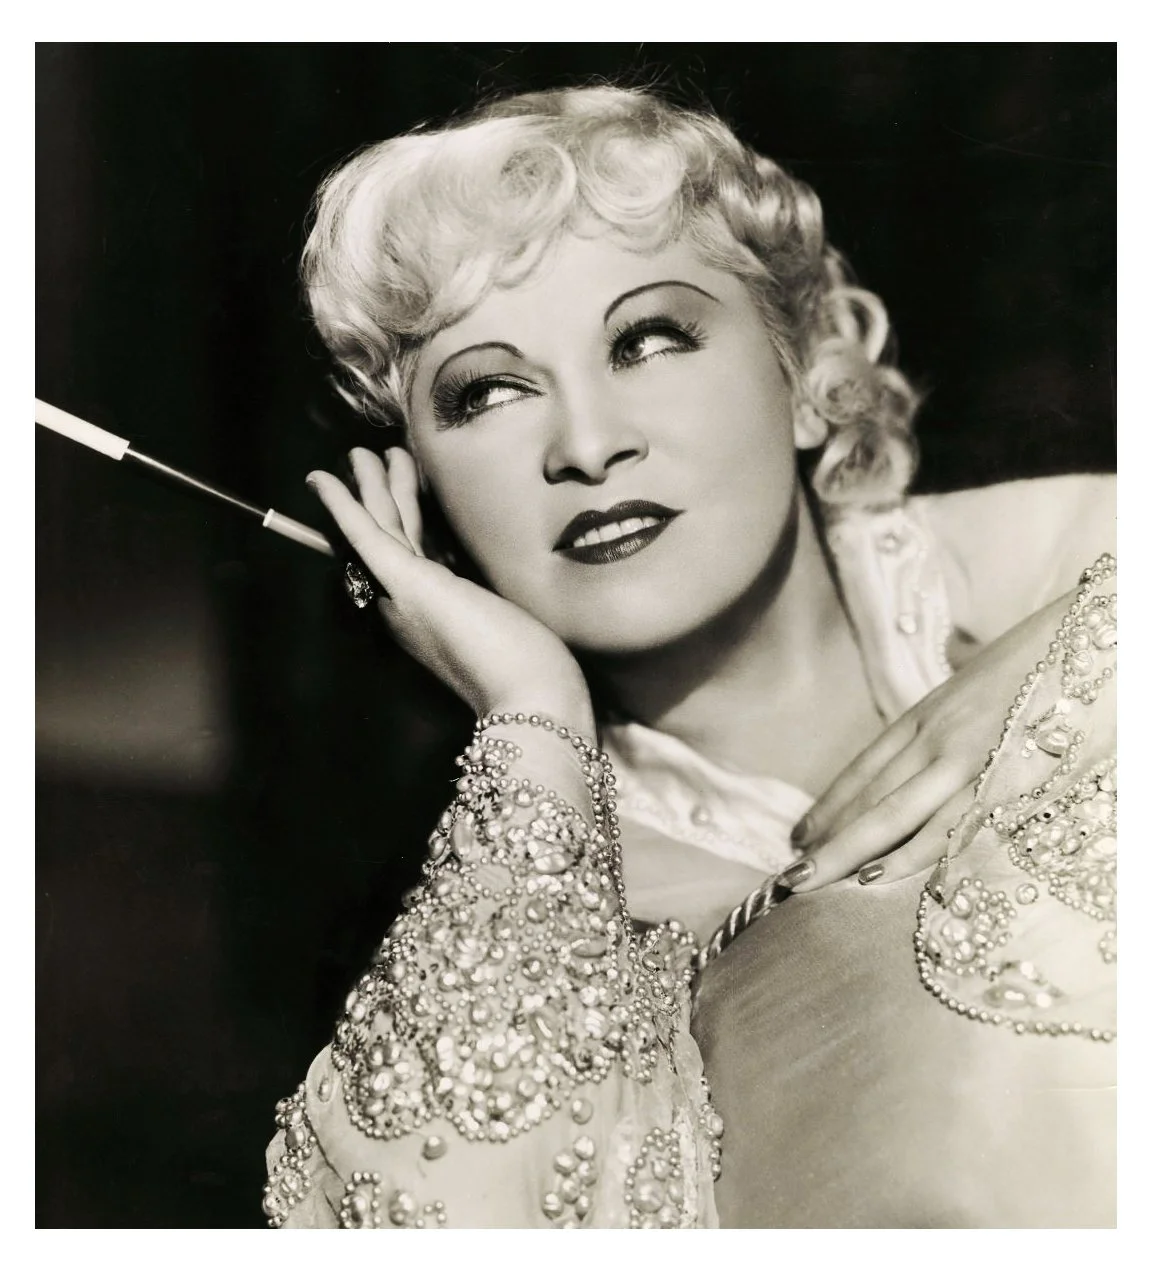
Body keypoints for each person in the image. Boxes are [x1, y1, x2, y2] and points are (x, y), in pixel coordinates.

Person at [262, 85, 1116, 1228]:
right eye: (489, 392)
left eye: (647, 340)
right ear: (417, 496)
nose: (587, 446)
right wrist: (531, 711)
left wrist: (1084, 656)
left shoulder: (1082, 558)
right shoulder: (544, 921)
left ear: (807, 374)